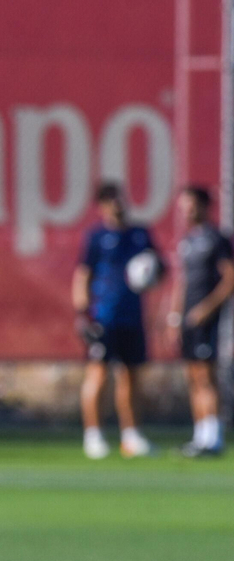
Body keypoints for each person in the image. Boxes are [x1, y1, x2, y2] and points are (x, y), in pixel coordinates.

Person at [73, 182, 160, 460]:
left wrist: (151, 272)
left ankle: (131, 435)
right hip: (103, 318)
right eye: (111, 201)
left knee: (131, 376)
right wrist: (82, 314)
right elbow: (83, 275)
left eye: (120, 199)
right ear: (102, 206)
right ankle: (93, 435)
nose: (118, 205)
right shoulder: (97, 237)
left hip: (131, 318)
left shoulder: (139, 235)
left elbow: (158, 269)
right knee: (98, 374)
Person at [168, 185, 233, 457]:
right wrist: (174, 317)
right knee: (193, 376)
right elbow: (182, 283)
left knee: (206, 376)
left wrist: (206, 309)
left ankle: (213, 437)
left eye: (192, 204)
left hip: (206, 319)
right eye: (184, 205)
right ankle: (199, 435)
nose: (187, 210)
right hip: (187, 320)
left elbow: (230, 278)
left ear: (205, 206)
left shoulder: (216, 239)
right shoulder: (187, 241)